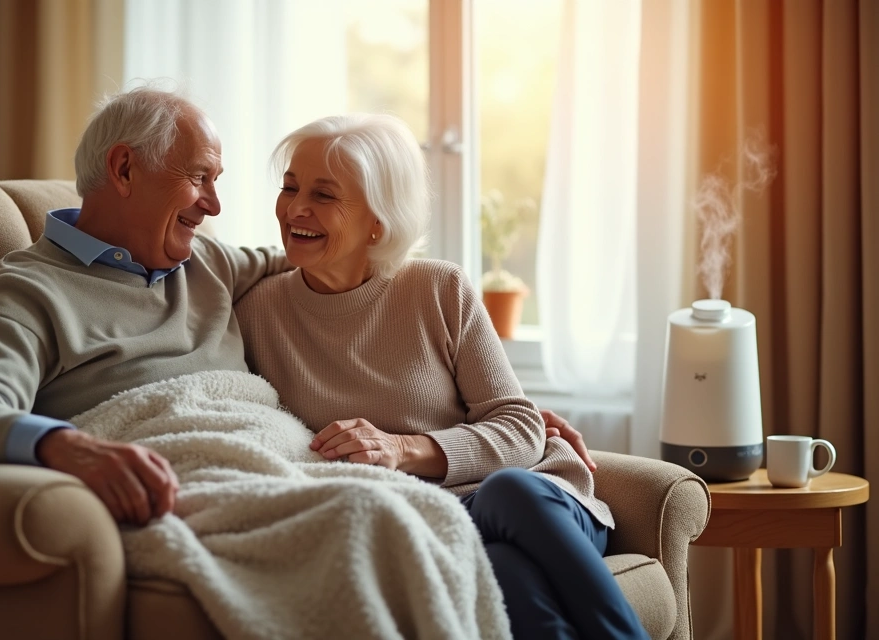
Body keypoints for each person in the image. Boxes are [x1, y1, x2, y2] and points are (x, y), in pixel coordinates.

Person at [234, 113, 647, 639]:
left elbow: (521, 429)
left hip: (538, 507)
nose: (295, 208)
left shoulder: (438, 289)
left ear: (378, 221)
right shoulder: (257, 312)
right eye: (290, 187)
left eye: (323, 194)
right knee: (506, 572)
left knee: (507, 493)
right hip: (433, 523)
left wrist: (402, 448)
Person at [0, 87, 292, 526]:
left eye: (216, 181)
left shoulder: (210, 260)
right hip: (182, 492)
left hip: (279, 462)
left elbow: (323, 259)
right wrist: (71, 448)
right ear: (124, 169)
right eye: (198, 178)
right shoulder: (29, 289)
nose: (213, 205)